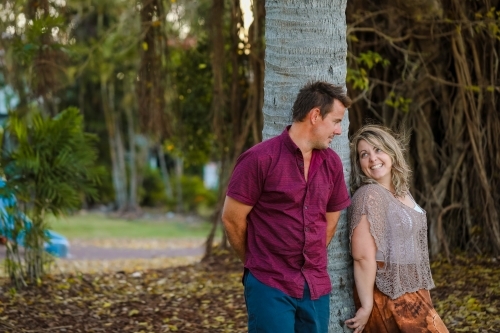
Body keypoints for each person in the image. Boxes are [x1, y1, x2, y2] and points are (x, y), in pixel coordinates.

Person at [221, 81, 352, 333]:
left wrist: (309, 255)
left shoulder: (332, 164)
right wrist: (256, 261)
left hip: (314, 287)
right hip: (269, 284)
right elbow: (232, 219)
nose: (338, 131)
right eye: (335, 121)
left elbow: (331, 220)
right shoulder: (259, 159)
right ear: (315, 115)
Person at [344, 124, 448, 333]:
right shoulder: (369, 195)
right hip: (388, 295)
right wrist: (366, 306)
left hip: (414, 292)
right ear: (359, 164)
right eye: (364, 154)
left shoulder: (402, 192)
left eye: (378, 150)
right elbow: (363, 256)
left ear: (391, 152)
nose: (373, 158)